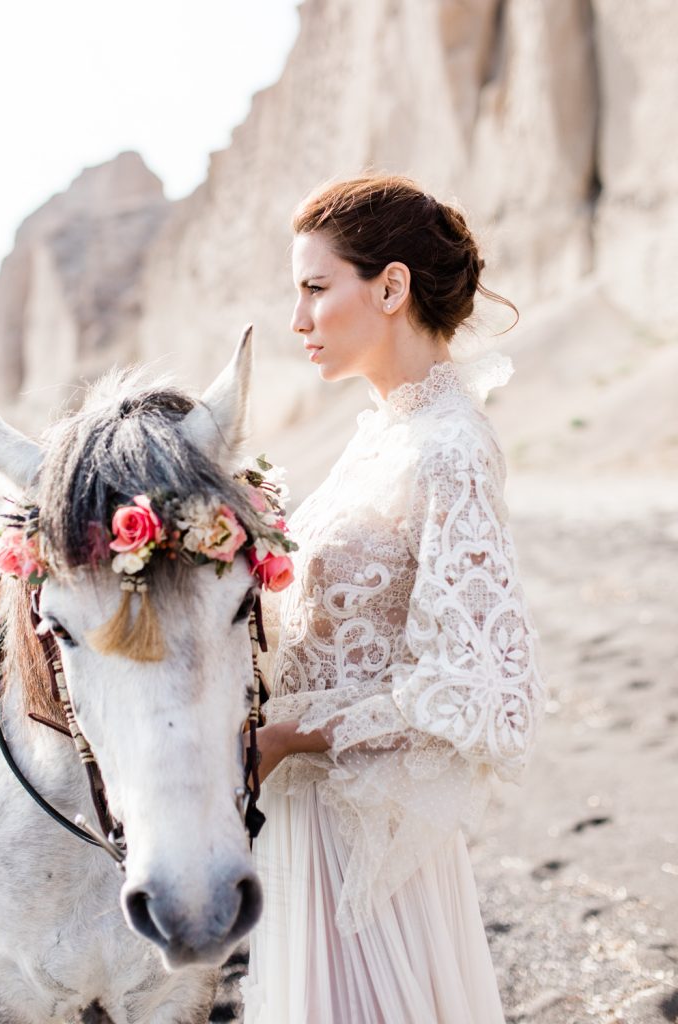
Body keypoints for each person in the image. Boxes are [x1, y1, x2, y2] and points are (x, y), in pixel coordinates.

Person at [241, 175, 545, 1024]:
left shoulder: (448, 447)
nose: (297, 320)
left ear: (391, 286)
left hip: (370, 837)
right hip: (313, 820)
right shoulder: (385, 431)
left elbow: (479, 683)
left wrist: (290, 736)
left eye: (314, 287)